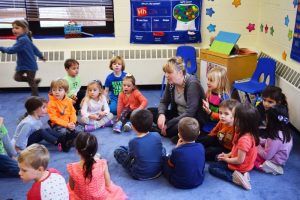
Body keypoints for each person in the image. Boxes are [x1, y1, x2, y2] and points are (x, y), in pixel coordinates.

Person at [149, 57, 206, 140]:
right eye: (165, 72)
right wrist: (161, 114)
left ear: (179, 73)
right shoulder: (171, 83)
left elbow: (190, 113)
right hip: (177, 115)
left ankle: (159, 130)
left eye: (169, 72)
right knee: (149, 112)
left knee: (172, 129)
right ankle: (165, 130)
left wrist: (168, 124)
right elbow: (164, 102)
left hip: (191, 120)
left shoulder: (192, 84)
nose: (166, 75)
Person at [208, 103, 259, 190]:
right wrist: (228, 155)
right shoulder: (242, 130)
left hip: (241, 165)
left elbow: (239, 160)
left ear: (241, 121)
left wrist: (226, 159)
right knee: (217, 157)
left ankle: (234, 177)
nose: (232, 118)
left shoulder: (245, 139)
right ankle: (243, 174)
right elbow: (235, 147)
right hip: (243, 161)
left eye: (234, 116)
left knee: (212, 167)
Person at [67, 132, 127, 200]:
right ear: (95, 151)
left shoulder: (72, 168)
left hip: (81, 197)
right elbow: (108, 184)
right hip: (101, 197)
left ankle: (96, 158)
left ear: (77, 151)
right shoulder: (102, 164)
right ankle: (96, 157)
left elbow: (72, 187)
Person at [114, 109, 164, 180]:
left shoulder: (133, 142)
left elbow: (130, 158)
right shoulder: (156, 135)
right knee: (161, 148)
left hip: (140, 175)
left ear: (133, 127)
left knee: (118, 150)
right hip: (158, 171)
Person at [0, 20, 45, 96]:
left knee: (31, 82)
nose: (14, 29)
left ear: (24, 29)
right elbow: (34, 48)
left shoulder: (23, 40)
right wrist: (41, 56)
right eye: (13, 28)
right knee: (17, 77)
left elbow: (12, 50)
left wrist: (1, 48)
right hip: (22, 65)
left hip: (30, 65)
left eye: (17, 28)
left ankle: (35, 96)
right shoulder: (23, 39)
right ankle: (35, 81)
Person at [163, 117, 205, 189]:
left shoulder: (176, 151)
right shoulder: (201, 146)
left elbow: (170, 164)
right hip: (199, 180)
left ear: (179, 135)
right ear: (199, 133)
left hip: (179, 183)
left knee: (164, 159)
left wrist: (176, 148)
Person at [255, 105, 293, 175]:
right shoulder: (286, 133)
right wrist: (260, 141)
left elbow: (267, 156)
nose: (266, 121)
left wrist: (257, 146)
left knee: (252, 153)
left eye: (267, 119)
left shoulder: (274, 137)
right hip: (281, 158)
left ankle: (267, 167)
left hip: (274, 161)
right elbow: (270, 144)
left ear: (271, 122)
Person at [47, 78, 81, 152]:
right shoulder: (51, 103)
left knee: (79, 130)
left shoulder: (68, 100)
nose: (56, 92)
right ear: (51, 91)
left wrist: (73, 122)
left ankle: (71, 140)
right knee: (63, 132)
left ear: (65, 91)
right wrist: (67, 124)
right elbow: (53, 118)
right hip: (58, 124)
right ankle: (66, 142)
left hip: (69, 122)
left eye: (60, 90)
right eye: (54, 90)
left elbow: (73, 112)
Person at [202, 66, 230, 133]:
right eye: (208, 79)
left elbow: (223, 117)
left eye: (211, 80)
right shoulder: (209, 92)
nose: (208, 82)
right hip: (207, 123)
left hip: (218, 126)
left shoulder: (224, 98)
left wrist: (210, 112)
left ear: (220, 83)